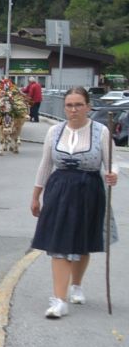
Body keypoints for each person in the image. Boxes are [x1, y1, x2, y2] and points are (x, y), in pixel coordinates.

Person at [29, 87, 119, 318]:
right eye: (69, 105)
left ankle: (76, 285)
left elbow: (111, 163)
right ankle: (60, 300)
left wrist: (113, 174)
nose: (73, 109)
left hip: (89, 189)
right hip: (58, 189)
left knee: (82, 240)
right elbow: (45, 165)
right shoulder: (55, 132)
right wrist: (35, 195)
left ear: (88, 107)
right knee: (58, 244)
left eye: (79, 105)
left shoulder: (101, 132)